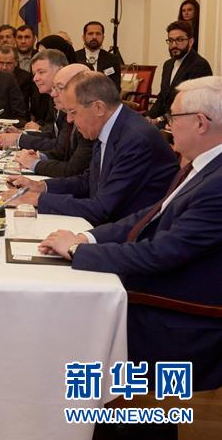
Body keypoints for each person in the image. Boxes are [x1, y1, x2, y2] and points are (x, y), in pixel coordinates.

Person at [39, 75, 222, 393]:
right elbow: (149, 216)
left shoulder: (216, 184)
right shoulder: (203, 167)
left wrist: (79, 252)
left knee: (64, 314)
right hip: (162, 287)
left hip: (180, 316)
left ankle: (77, 412)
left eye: (173, 118)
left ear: (200, 123)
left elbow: (161, 253)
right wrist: (88, 239)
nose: (167, 125)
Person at [4, 71, 178, 225]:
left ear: (98, 108)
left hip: (130, 234)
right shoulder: (111, 126)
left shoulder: (135, 139)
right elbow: (89, 181)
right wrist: (41, 186)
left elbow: (102, 208)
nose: (69, 120)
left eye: (73, 112)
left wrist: (38, 200)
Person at [14, 62, 96, 178]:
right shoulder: (67, 112)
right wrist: (40, 157)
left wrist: (34, 164)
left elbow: (74, 170)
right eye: (54, 88)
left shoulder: (90, 121)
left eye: (60, 88)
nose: (53, 94)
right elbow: (61, 151)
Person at [147, 20, 212, 123]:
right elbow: (162, 98)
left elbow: (191, 105)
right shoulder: (168, 65)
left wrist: (159, 119)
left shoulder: (199, 65)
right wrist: (148, 117)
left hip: (186, 123)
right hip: (165, 122)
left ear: (190, 42)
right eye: (170, 40)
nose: (174, 45)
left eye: (179, 40)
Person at [75, 21, 121, 90]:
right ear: (83, 37)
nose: (94, 37)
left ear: (103, 37)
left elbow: (115, 87)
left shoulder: (112, 59)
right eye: (90, 34)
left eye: (98, 34)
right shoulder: (74, 57)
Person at [0, 44, 34, 119]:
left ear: (16, 62)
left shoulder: (25, 78)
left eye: (9, 63)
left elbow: (22, 107)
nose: (4, 67)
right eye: (1, 63)